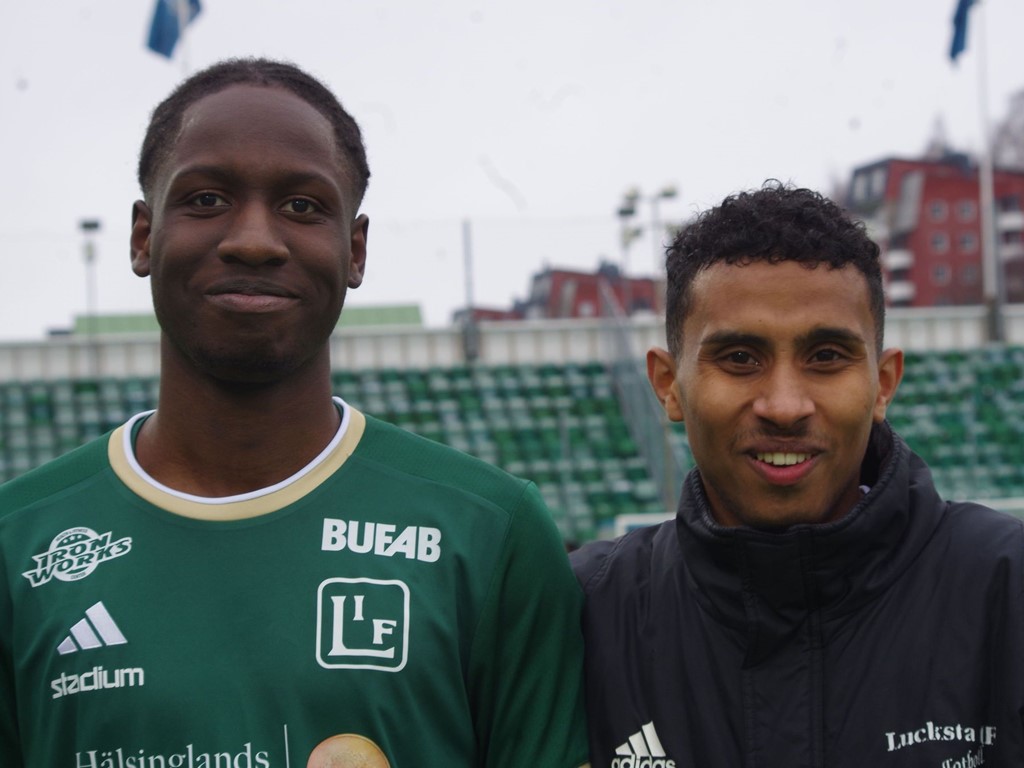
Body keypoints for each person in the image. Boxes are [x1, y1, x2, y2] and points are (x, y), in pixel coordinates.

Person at [0, 58, 589, 768]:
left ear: (356, 249)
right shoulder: (17, 543)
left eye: (303, 206)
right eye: (207, 199)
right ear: (142, 237)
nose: (254, 239)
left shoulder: (490, 534)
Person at [571, 182, 1024, 766]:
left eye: (827, 357)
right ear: (668, 385)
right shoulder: (587, 611)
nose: (784, 405)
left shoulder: (1007, 588)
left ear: (883, 383)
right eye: (739, 358)